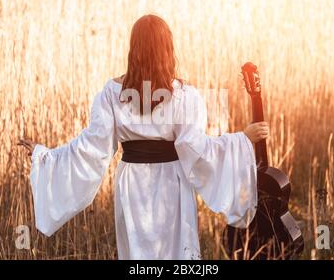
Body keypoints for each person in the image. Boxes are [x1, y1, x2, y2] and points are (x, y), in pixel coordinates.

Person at [18, 14, 269, 259]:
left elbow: (92, 147)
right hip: (173, 181)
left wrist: (46, 157)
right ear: (167, 49)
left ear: (133, 49)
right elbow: (195, 148)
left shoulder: (112, 93)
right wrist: (242, 139)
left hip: (132, 182)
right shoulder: (184, 95)